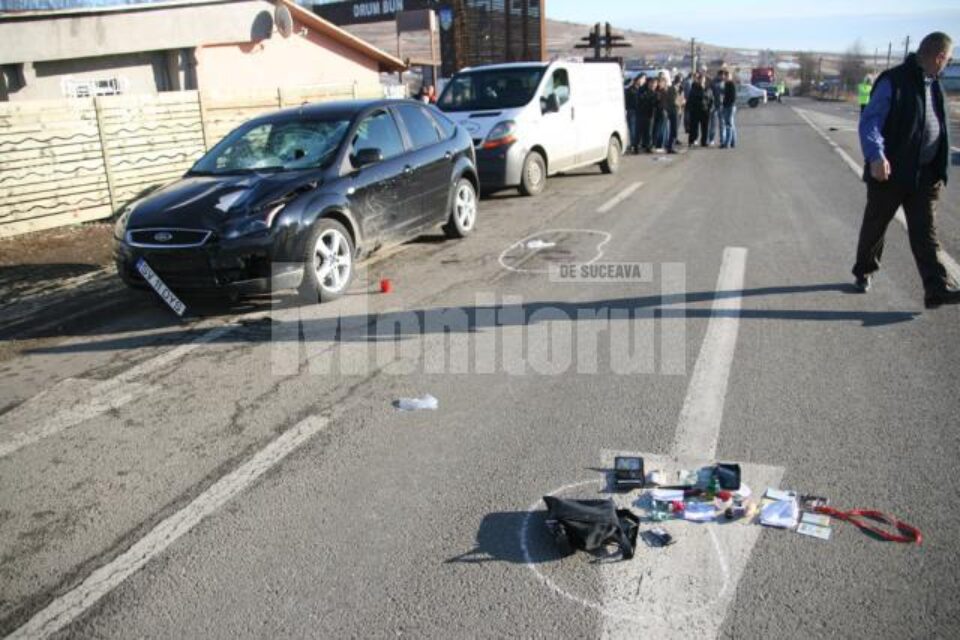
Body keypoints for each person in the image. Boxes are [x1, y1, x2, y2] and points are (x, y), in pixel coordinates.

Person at [852, 31, 960, 308]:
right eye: (947, 59)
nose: (947, 65)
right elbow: (871, 121)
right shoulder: (894, 81)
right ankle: (865, 270)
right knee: (876, 226)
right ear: (938, 57)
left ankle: (936, 288)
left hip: (925, 175)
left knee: (926, 233)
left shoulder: (934, 84)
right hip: (891, 173)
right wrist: (876, 156)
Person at [687, 73, 713, 147]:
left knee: (705, 128)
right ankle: (692, 141)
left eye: (703, 80)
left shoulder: (708, 89)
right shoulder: (694, 89)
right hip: (695, 111)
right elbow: (690, 100)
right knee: (694, 127)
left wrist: (710, 108)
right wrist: (690, 109)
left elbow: (711, 100)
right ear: (698, 80)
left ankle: (704, 141)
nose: (702, 81)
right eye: (700, 79)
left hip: (705, 111)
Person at [624, 74, 644, 153]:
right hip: (632, 111)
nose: (643, 81)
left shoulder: (639, 89)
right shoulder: (631, 90)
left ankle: (635, 144)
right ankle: (634, 145)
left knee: (636, 129)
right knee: (633, 129)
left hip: (637, 111)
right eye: (642, 79)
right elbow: (631, 101)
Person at [665, 75, 685, 153]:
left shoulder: (678, 89)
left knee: (674, 129)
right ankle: (670, 147)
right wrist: (682, 100)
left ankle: (671, 146)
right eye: (679, 81)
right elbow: (674, 101)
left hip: (677, 111)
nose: (680, 83)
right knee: (673, 130)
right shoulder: (672, 89)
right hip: (673, 111)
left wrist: (682, 98)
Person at [637, 77, 657, 152]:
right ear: (649, 84)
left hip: (650, 114)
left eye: (655, 84)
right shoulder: (645, 92)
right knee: (644, 131)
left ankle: (647, 145)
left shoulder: (654, 92)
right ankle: (641, 146)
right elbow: (642, 101)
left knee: (649, 131)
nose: (654, 85)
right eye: (652, 83)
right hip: (644, 113)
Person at [719, 70, 738, 149]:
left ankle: (727, 143)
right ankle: (733, 142)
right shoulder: (726, 84)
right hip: (726, 106)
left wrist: (727, 104)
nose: (725, 77)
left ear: (730, 77)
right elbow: (723, 94)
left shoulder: (731, 84)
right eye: (725, 76)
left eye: (727, 76)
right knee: (731, 125)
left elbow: (733, 97)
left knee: (728, 125)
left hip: (730, 106)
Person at [707, 69, 724, 146]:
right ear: (719, 75)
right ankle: (711, 139)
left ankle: (722, 139)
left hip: (721, 105)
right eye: (722, 75)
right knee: (713, 124)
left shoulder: (724, 82)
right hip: (714, 105)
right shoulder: (713, 82)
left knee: (721, 123)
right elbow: (709, 93)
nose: (723, 77)